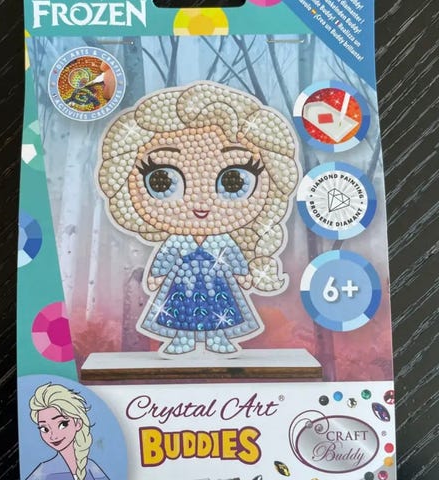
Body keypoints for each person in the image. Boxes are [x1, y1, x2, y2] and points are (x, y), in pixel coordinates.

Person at [98, 81, 300, 356]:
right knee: (178, 310)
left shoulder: (223, 240)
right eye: (161, 180)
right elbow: (166, 256)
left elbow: (234, 256)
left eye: (233, 181)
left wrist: (243, 273)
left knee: (220, 308)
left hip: (218, 284)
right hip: (182, 284)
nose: (200, 202)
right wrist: (156, 275)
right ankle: (182, 339)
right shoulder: (177, 241)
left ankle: (218, 338)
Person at [27, 383, 109, 480]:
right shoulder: (43, 472)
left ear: (78, 423)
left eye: (62, 424)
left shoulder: (91, 467)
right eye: (45, 429)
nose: (53, 436)